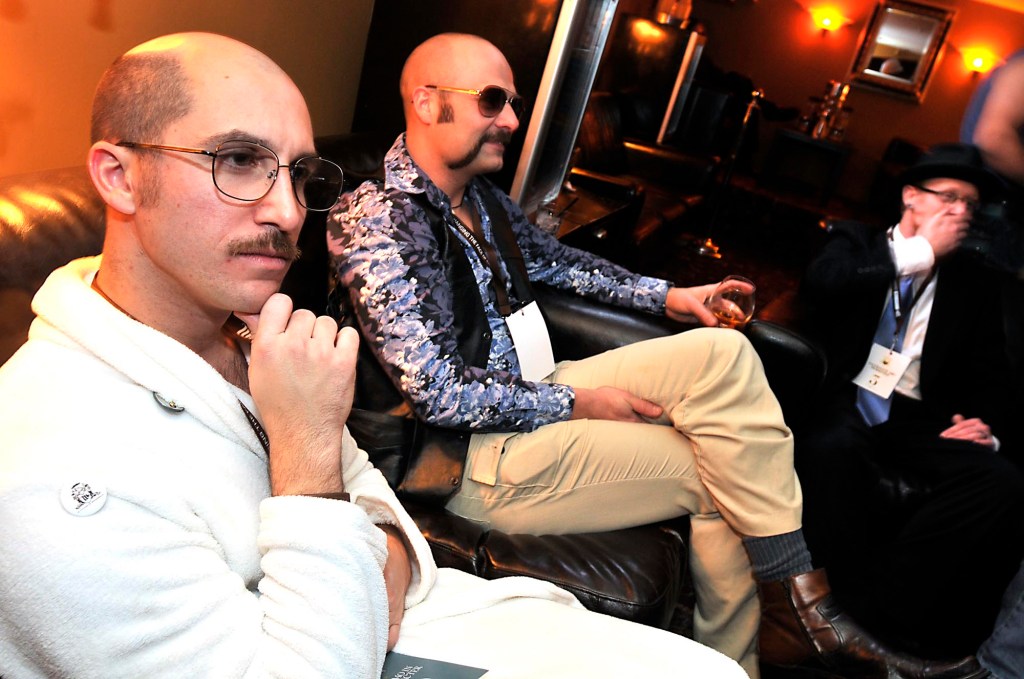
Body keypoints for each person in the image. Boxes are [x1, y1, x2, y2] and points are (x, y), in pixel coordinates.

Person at [0, 32, 752, 678]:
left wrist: (371, 552)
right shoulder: (48, 476)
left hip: (426, 625)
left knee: (706, 665)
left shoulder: (254, 341)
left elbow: (388, 524)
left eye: (299, 174)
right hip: (456, 484)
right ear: (119, 175)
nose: (291, 212)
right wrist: (306, 460)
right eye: (237, 160)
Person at [327, 32, 983, 679]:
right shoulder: (378, 217)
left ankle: (794, 599)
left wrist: (674, 296)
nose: (514, 120)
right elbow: (437, 389)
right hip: (468, 452)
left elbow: (558, 261)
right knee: (717, 470)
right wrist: (581, 402)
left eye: (514, 103)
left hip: (533, 381)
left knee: (722, 354)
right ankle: (752, 648)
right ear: (426, 100)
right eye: (493, 101)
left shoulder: (476, 196)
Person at [794, 143, 1024, 659]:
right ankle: (820, 602)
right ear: (910, 197)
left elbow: (993, 373)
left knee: (1002, 480)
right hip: (847, 396)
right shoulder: (855, 241)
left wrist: (986, 423)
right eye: (948, 198)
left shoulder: (975, 282)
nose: (960, 212)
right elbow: (823, 285)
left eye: (969, 204)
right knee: (833, 446)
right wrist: (922, 254)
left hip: (919, 416)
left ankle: (879, 611)